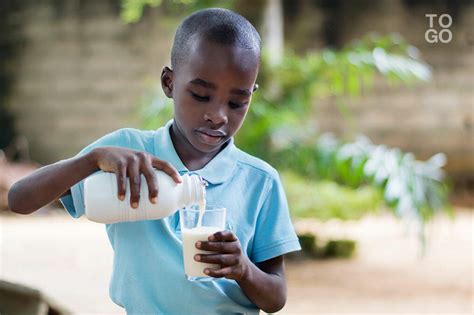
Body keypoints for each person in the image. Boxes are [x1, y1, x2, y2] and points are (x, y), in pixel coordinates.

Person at [8, 8, 301, 314]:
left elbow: (275, 298)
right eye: (201, 95)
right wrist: (91, 160)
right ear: (169, 83)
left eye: (237, 102)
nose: (218, 116)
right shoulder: (125, 154)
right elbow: (19, 200)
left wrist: (242, 268)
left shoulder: (260, 181)